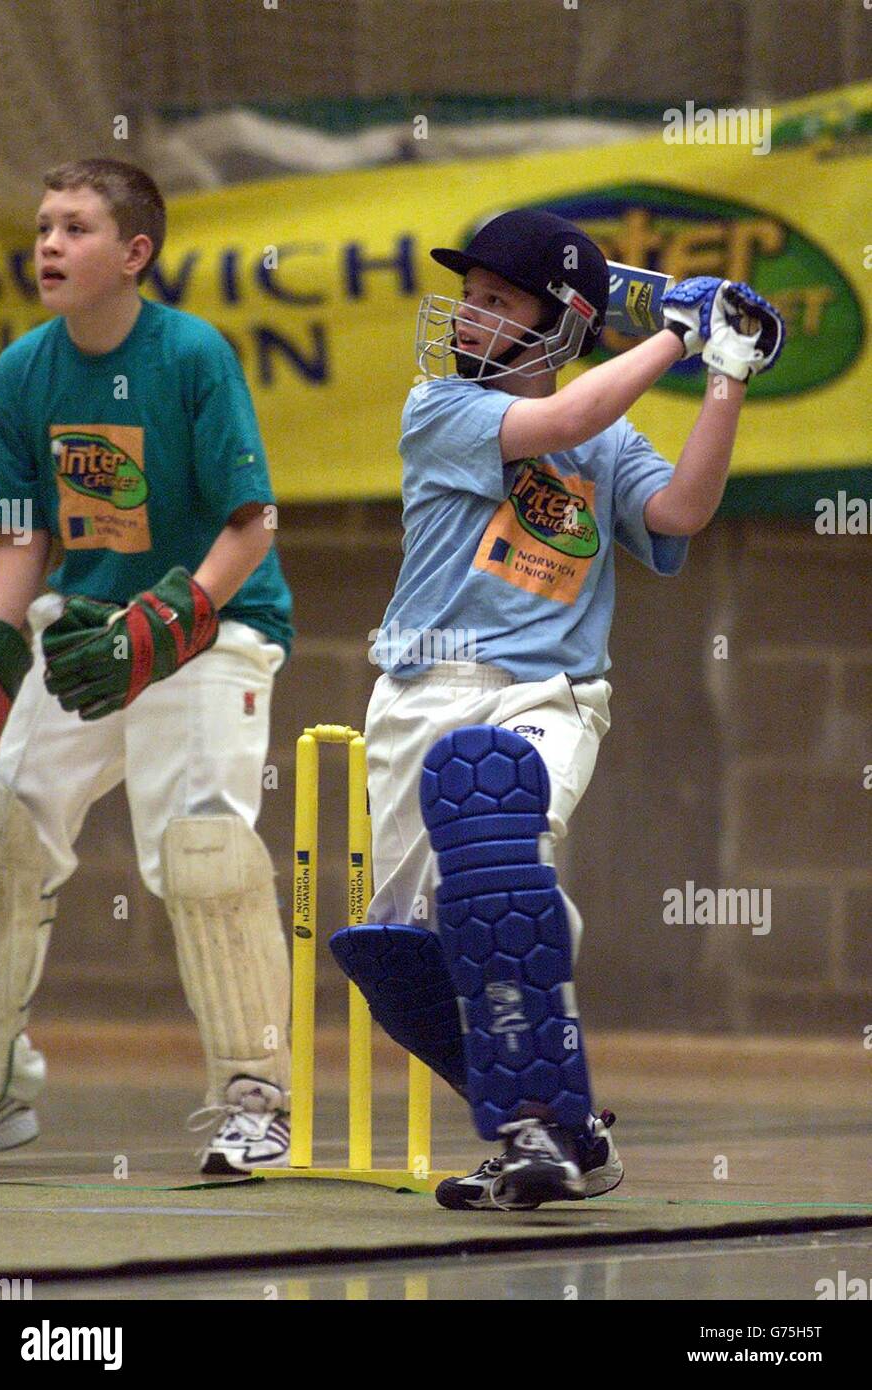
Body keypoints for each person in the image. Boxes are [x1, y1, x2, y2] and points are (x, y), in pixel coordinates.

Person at [330, 208, 784, 1210]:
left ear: (558, 323)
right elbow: (564, 422)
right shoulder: (439, 410)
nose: (468, 314)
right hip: (419, 696)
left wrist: (724, 374)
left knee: (488, 832)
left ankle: (531, 1122)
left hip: (549, 697)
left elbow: (679, 514)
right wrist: (675, 330)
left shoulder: (610, 439)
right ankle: (561, 1128)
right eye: (469, 297)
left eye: (496, 301)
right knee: (403, 957)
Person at [0, 158, 294, 1175]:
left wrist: (167, 624)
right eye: (43, 226)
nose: (50, 244)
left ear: (134, 252)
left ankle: (255, 1098)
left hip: (213, 626)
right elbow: (19, 539)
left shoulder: (192, 354)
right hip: (83, 631)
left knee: (202, 850)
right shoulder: (23, 369)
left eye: (75, 227)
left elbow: (252, 526)